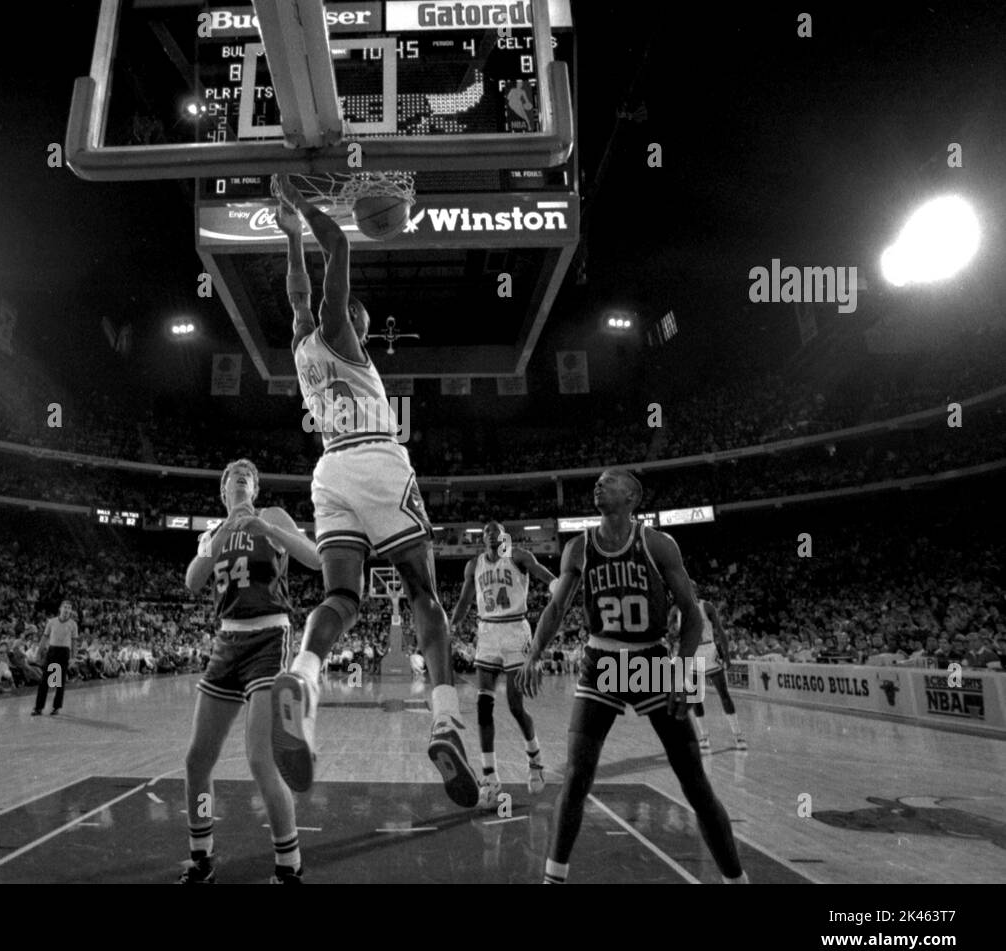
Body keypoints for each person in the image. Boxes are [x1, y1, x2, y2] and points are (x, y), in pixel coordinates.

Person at [268, 175, 478, 808]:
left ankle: (303, 679)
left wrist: (290, 234)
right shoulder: (339, 327)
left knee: (341, 596)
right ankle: (444, 721)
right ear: (354, 321)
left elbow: (297, 291)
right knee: (424, 595)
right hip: (377, 462)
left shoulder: (305, 340)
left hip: (329, 472)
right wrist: (305, 202)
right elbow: (342, 253)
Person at [515, 469, 747, 884]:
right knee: (576, 775)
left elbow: (692, 617)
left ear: (632, 496)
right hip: (601, 656)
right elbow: (556, 608)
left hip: (653, 659)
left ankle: (735, 880)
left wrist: (682, 672)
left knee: (693, 779)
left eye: (610, 482)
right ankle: (553, 878)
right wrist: (534, 653)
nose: (598, 485)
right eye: (598, 481)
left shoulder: (658, 543)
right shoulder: (578, 548)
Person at [178, 458, 321, 884]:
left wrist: (270, 532)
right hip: (226, 641)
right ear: (223, 492)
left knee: (260, 758)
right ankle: (202, 857)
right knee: (196, 760)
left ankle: (289, 864)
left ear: (254, 489)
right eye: (232, 476)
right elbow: (192, 581)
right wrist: (226, 530)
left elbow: (314, 559)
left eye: (248, 476)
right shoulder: (212, 533)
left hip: (267, 636)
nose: (240, 478)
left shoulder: (272, 517)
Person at [450, 521, 557, 805]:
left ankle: (535, 759)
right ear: (482, 538)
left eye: (496, 530)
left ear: (504, 536)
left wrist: (558, 585)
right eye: (487, 531)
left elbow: (543, 574)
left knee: (515, 705)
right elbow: (464, 601)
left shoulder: (519, 556)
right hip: (487, 632)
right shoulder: (474, 566)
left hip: (514, 631)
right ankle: (490, 778)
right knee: (483, 706)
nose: (492, 534)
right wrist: (453, 625)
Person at [669, 582, 747, 753]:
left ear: (695, 590)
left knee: (723, 694)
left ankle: (738, 734)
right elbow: (670, 633)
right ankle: (704, 736)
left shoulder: (706, 606)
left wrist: (726, 655)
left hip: (709, 649)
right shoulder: (677, 610)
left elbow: (719, 630)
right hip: (691, 652)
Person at [33, 602, 76, 716]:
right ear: (60, 609)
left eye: (69, 608)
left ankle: (56, 707)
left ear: (71, 611)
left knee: (60, 681)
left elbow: (74, 642)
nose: (67, 610)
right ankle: (38, 707)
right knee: (45, 680)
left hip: (64, 652)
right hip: (52, 650)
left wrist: (73, 657)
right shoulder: (51, 622)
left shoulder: (73, 624)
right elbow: (44, 637)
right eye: (65, 607)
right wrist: (38, 652)